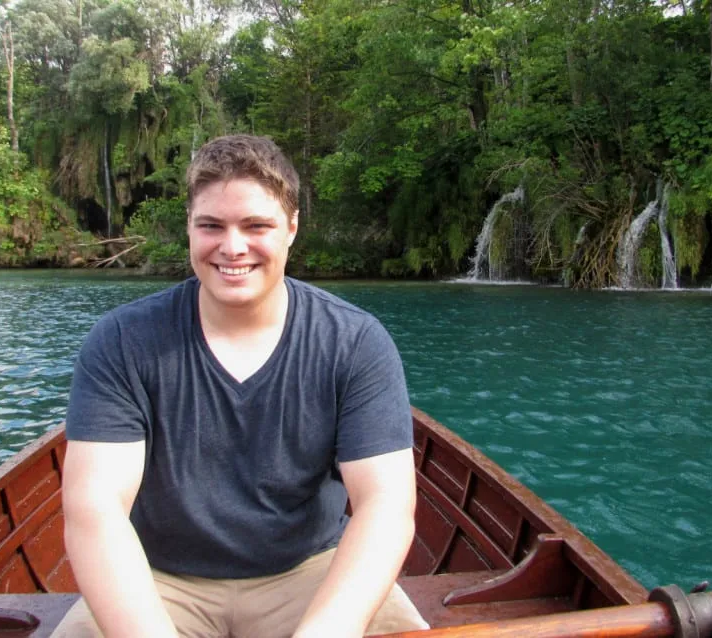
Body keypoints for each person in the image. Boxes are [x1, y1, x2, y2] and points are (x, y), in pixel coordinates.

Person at [52, 134, 429, 638]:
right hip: (157, 578)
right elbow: (94, 510)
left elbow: (385, 505)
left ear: (291, 228)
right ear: (189, 228)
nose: (232, 247)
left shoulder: (355, 342)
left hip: (310, 571)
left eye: (256, 226)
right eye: (211, 226)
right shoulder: (122, 341)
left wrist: (325, 631)